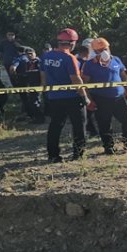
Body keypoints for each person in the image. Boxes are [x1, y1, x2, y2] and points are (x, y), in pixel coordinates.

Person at [41, 28, 91, 163]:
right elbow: (76, 79)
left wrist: (46, 92)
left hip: (54, 97)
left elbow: (43, 77)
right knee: (79, 126)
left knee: (55, 125)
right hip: (72, 97)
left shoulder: (46, 56)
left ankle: (53, 155)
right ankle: (78, 154)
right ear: (72, 43)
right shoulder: (70, 58)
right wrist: (84, 96)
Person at [81, 38, 127, 153]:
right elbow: (84, 84)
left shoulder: (116, 60)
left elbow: (124, 75)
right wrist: (89, 100)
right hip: (101, 99)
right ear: (95, 52)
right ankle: (109, 147)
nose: (104, 52)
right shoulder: (89, 65)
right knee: (104, 124)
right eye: (100, 50)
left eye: (105, 49)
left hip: (119, 97)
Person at [10, 46, 44, 123]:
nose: (29, 55)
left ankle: (40, 118)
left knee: (35, 102)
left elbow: (43, 74)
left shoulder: (39, 62)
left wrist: (42, 85)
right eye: (27, 54)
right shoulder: (28, 63)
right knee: (32, 102)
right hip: (31, 85)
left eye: (31, 54)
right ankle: (36, 117)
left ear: (35, 53)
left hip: (38, 85)